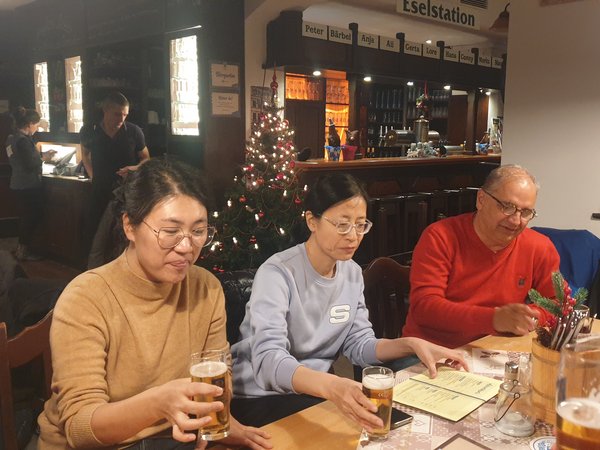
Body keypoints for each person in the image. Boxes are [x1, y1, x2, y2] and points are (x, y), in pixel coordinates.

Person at [38, 158, 271, 450]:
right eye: (170, 232)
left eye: (198, 231)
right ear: (130, 227)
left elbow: (218, 383)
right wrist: (158, 403)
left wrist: (215, 426)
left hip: (174, 439)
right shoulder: (86, 298)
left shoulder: (205, 287)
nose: (186, 247)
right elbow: (80, 428)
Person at [231, 173, 467, 431]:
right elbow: (268, 361)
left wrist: (410, 344)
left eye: (360, 224)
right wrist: (332, 386)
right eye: (342, 225)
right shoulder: (277, 273)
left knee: (394, 426)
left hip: (318, 392)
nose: (353, 236)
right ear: (312, 221)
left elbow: (359, 345)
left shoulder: (352, 272)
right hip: (261, 399)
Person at [402, 164, 560, 349]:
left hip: (496, 348)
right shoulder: (440, 236)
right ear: (481, 199)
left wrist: (526, 317)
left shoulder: (539, 246)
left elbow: (556, 304)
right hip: (430, 349)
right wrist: (494, 319)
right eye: (507, 207)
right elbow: (425, 307)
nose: (516, 220)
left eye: (525, 212)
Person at [80, 91, 150, 258]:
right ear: (105, 111)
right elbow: (85, 154)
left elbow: (146, 158)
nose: (121, 119)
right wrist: (92, 175)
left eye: (125, 114)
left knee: (124, 234)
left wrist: (135, 168)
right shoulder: (89, 130)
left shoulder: (134, 131)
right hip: (100, 189)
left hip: (126, 191)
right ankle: (93, 271)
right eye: (117, 114)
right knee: (95, 232)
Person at [5, 107, 55, 260]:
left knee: (25, 217)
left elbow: (18, 158)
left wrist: (40, 155)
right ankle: (24, 251)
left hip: (16, 183)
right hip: (28, 185)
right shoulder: (23, 141)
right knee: (32, 216)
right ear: (29, 124)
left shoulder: (11, 138)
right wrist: (43, 158)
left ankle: (21, 249)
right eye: (36, 125)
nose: (37, 128)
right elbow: (29, 163)